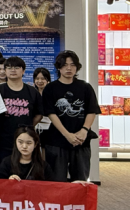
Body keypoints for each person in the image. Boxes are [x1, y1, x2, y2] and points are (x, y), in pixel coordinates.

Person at [42, 50, 101, 182]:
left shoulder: (85, 87)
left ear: (77, 67)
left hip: (81, 140)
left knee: (80, 180)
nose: (69, 68)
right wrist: (67, 135)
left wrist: (84, 130)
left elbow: (92, 111)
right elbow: (51, 114)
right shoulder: (50, 88)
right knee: (56, 180)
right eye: (64, 65)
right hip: (57, 140)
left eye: (72, 65)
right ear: (58, 67)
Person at [0, 56, 44, 175]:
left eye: (17, 67)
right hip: (3, 141)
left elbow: (39, 114)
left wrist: (28, 126)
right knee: (3, 175)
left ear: (23, 71)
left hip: (26, 142)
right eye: (9, 67)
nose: (13, 70)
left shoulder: (32, 91)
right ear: (5, 71)